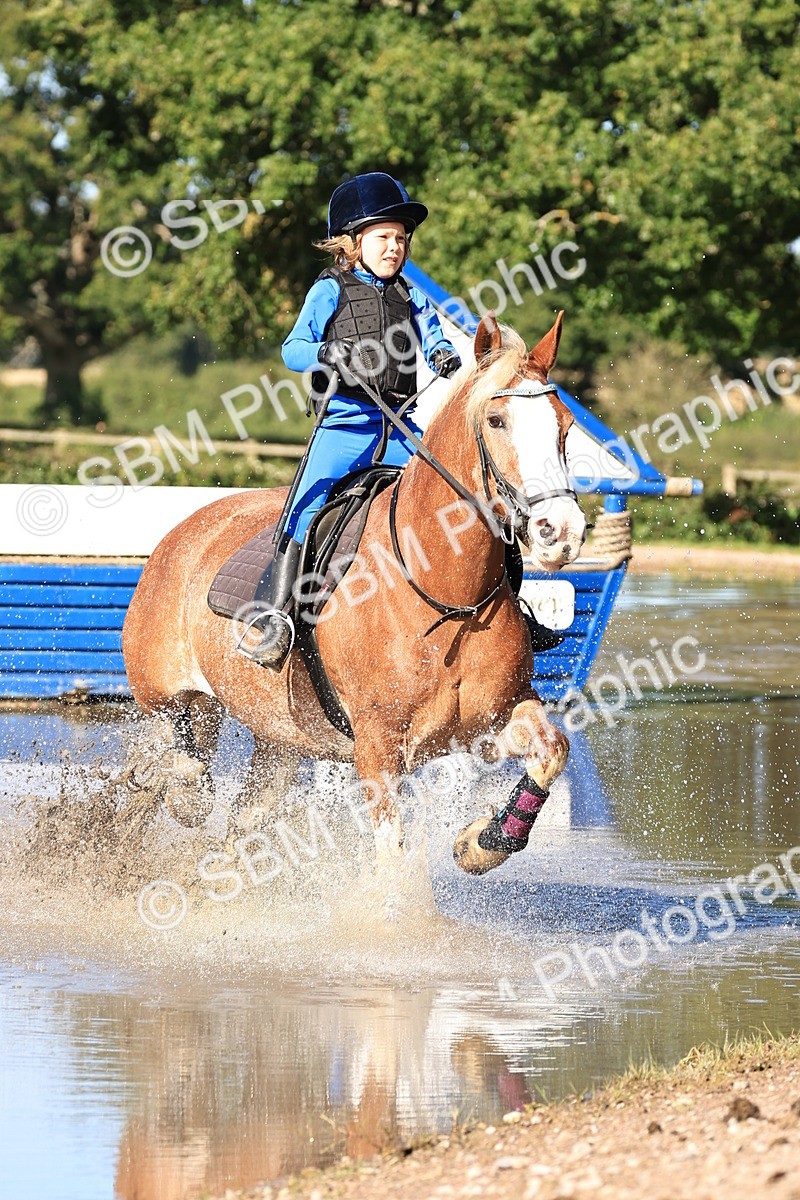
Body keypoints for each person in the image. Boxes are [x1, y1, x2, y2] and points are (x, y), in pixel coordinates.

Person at [243, 171, 462, 670]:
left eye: (401, 239)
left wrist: (445, 355)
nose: (395, 247)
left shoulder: (412, 295)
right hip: (347, 423)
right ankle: (276, 618)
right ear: (352, 242)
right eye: (384, 237)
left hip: (401, 424)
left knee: (458, 493)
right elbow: (293, 349)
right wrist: (328, 350)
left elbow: (434, 338)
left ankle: (509, 601)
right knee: (305, 504)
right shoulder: (329, 290)